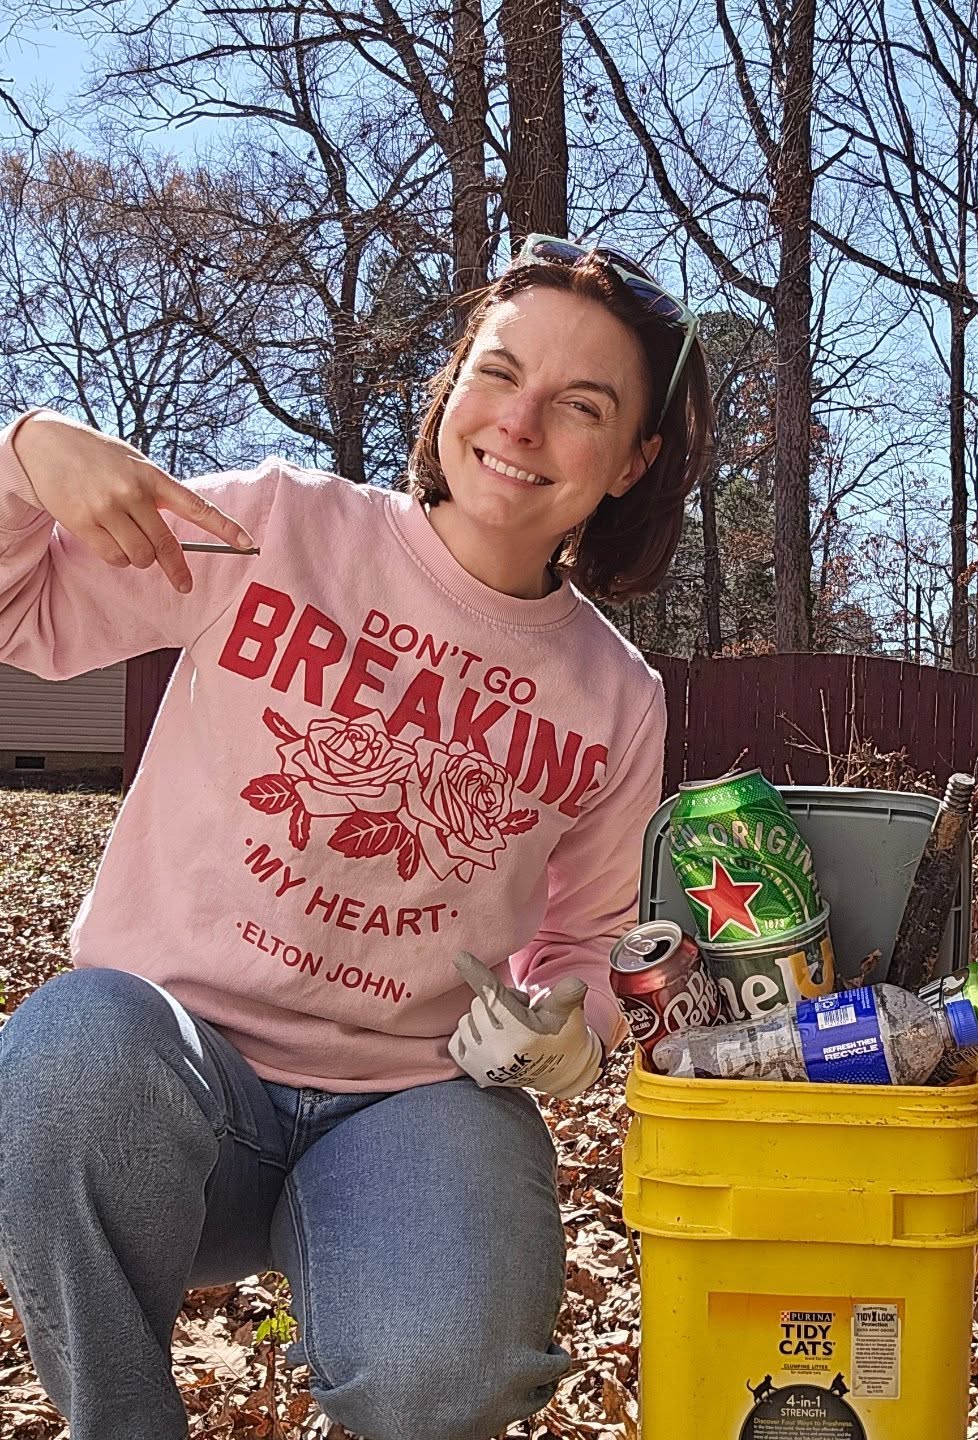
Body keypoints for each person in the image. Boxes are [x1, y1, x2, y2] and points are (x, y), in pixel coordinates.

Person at [0, 235, 713, 1440]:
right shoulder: (277, 526)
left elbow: (590, 941)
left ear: (635, 461)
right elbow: (20, 611)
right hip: (170, 1083)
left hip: (413, 1108)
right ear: (452, 384)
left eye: (583, 406)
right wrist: (25, 453)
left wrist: (573, 1035)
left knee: (448, 1372)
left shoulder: (616, 695)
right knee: (70, 1045)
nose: (521, 423)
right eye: (499, 373)